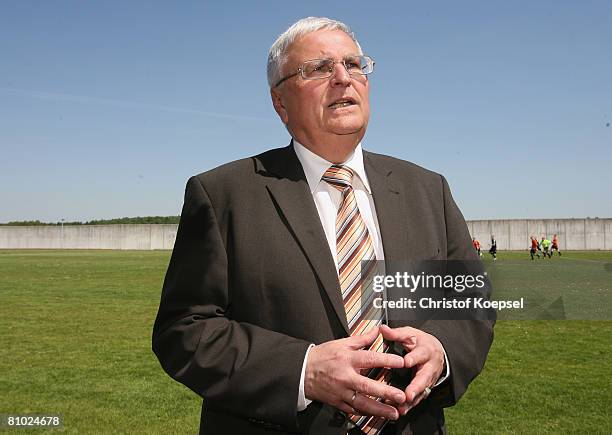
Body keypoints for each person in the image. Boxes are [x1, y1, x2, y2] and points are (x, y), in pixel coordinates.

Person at [152, 17, 494, 435]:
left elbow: (466, 301)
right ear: (280, 102)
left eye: (353, 64)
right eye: (318, 68)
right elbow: (184, 330)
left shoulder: (427, 189)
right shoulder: (223, 194)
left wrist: (441, 349)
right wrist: (303, 370)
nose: (342, 78)